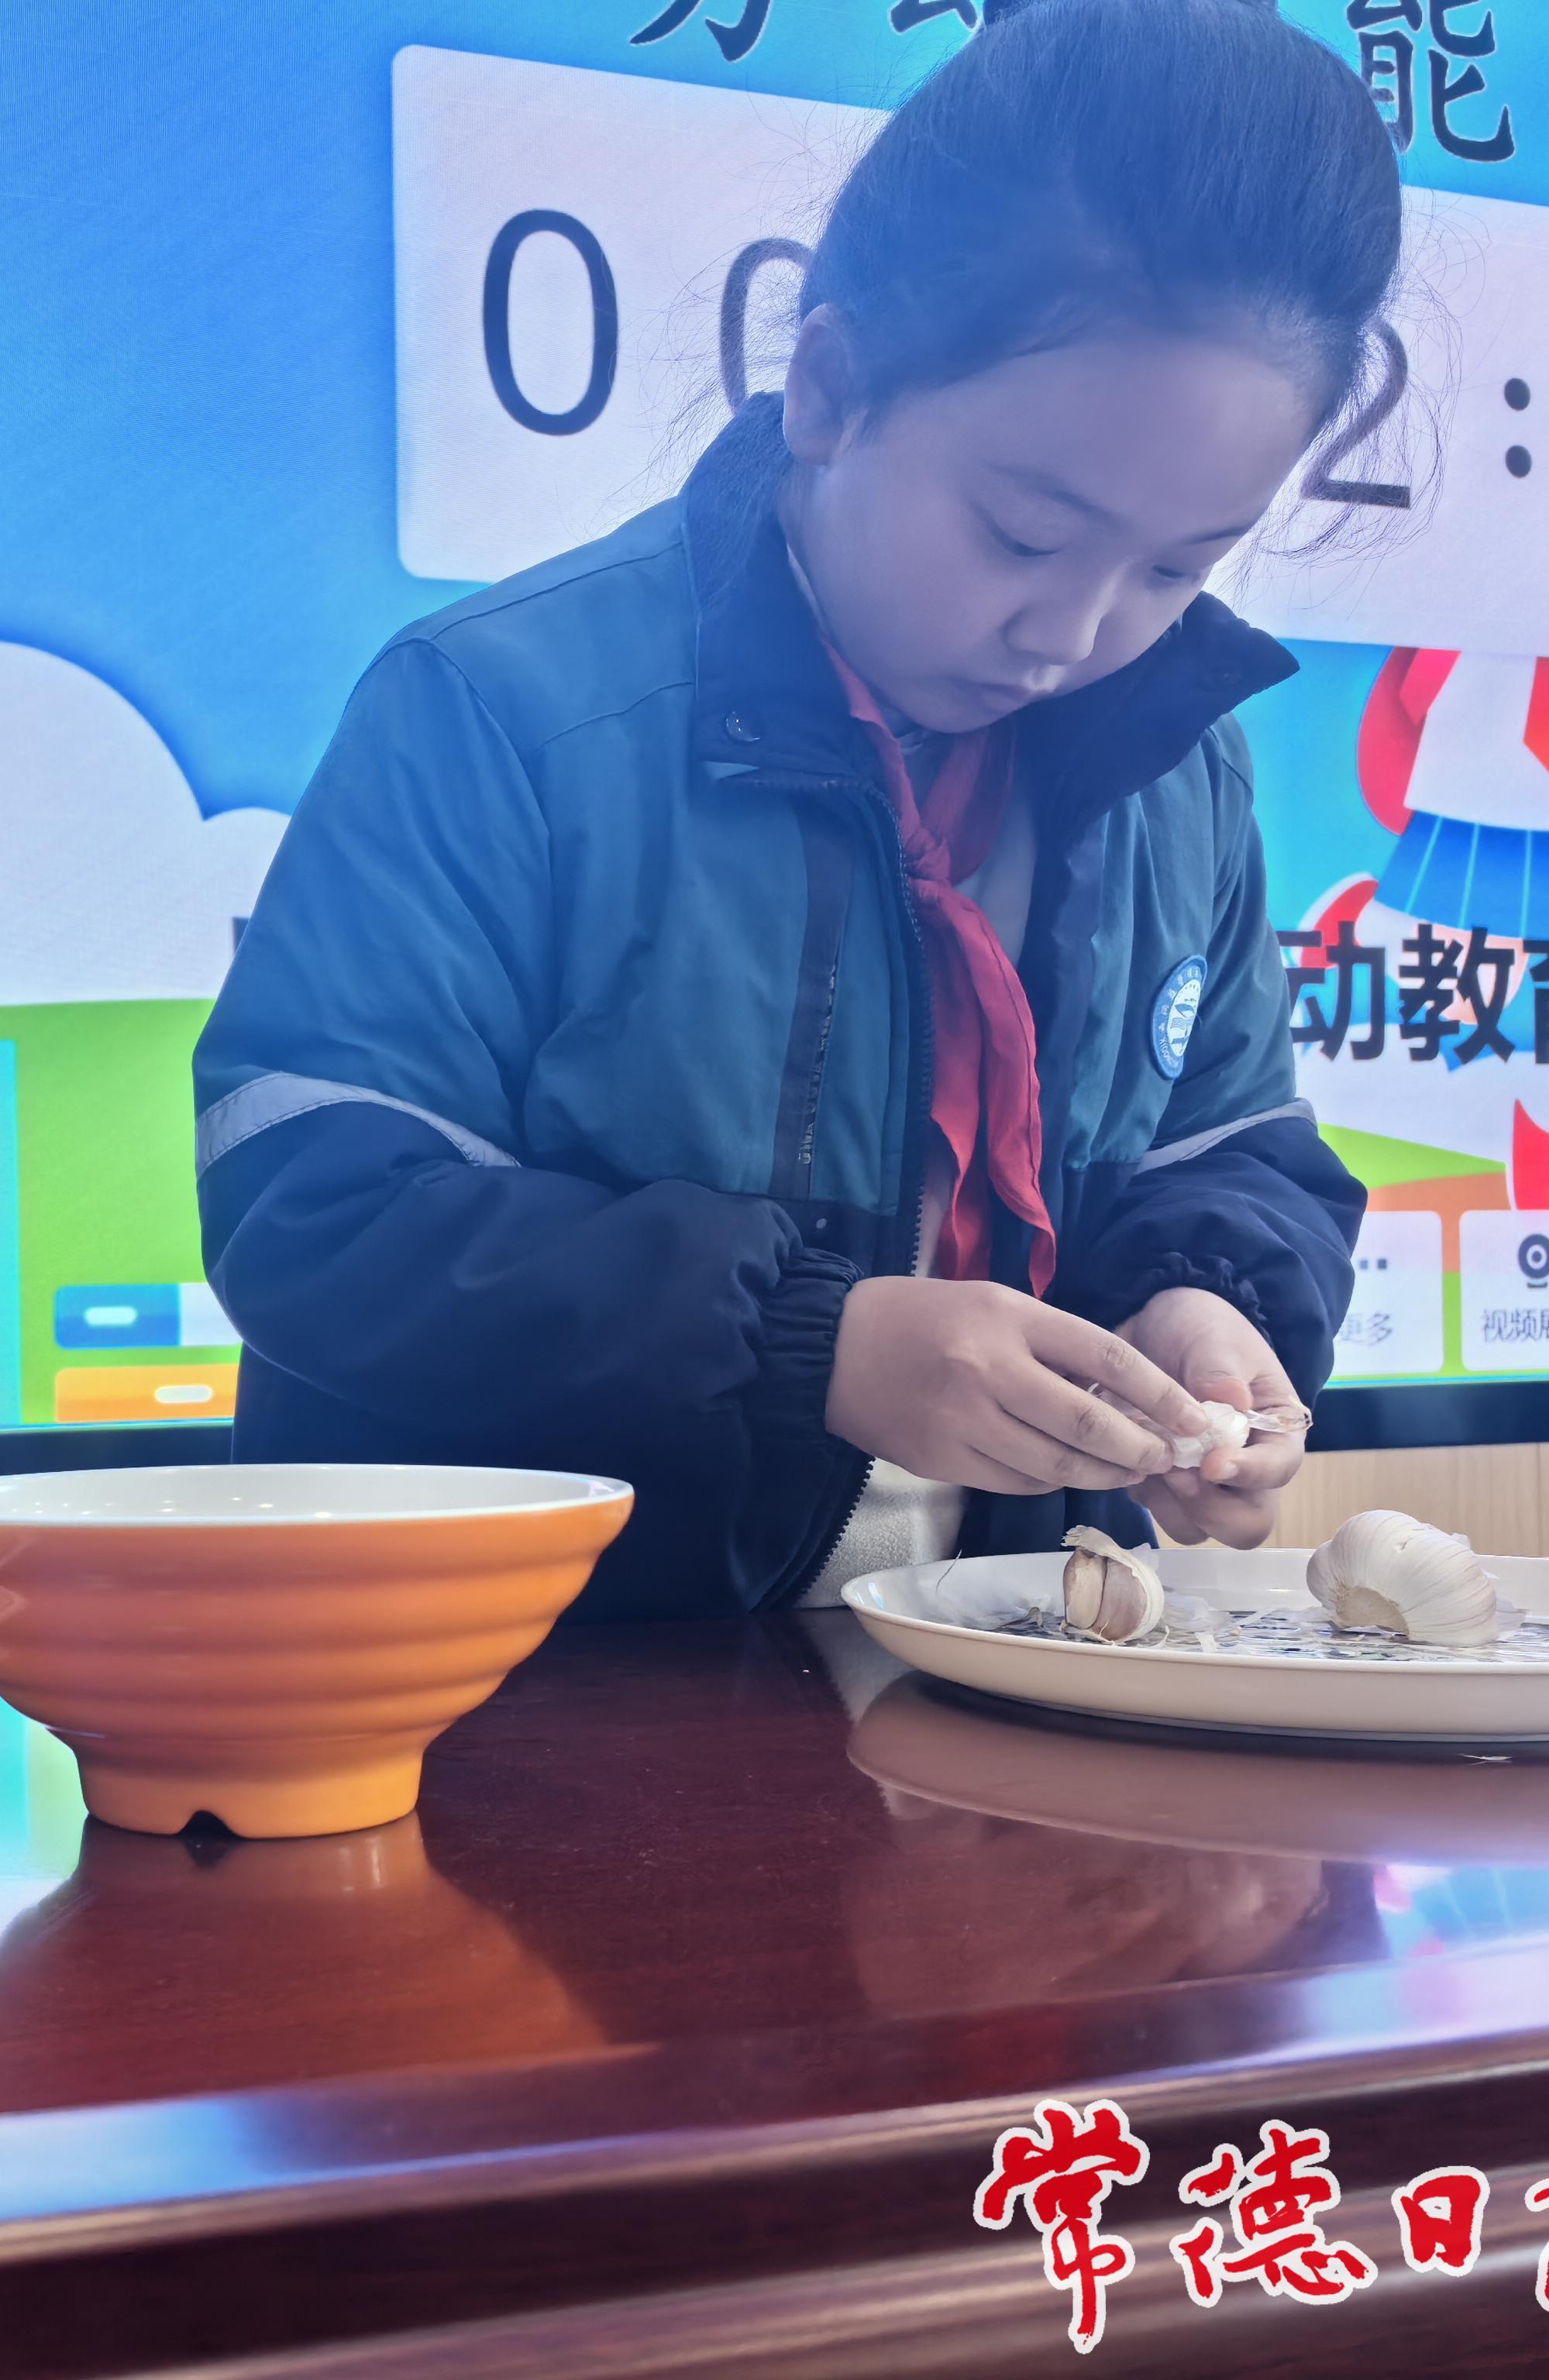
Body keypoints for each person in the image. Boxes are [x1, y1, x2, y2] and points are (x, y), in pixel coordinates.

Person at [197, 0, 1382, 1617]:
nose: (1074, 632)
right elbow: (314, 1202)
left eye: (1178, 567)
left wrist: (1203, 1301)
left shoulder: (1174, 766)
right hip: (518, 1699)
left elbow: (1231, 1146)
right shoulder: (499, 709)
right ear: (827, 385)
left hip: (1004, 1675)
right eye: (1025, 535)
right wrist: (809, 1341)